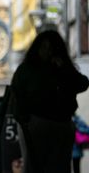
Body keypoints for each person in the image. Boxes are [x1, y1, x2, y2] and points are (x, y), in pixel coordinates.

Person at [11, 30, 89, 173]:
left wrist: (64, 69)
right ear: (37, 48)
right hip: (35, 124)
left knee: (60, 167)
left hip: (61, 125)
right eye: (44, 47)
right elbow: (16, 94)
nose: (47, 52)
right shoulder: (27, 69)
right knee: (34, 166)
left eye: (51, 48)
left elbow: (82, 84)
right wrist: (24, 120)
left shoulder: (61, 68)